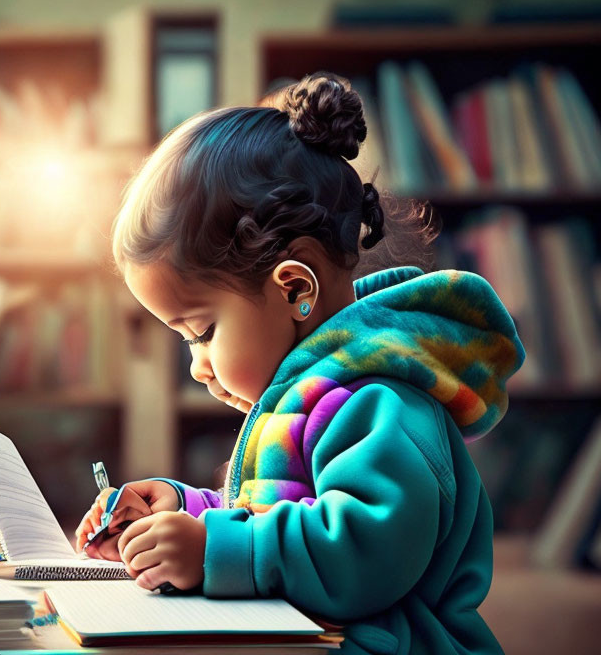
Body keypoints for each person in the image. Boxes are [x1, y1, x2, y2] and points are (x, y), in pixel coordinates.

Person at [75, 72, 524, 654]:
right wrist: (182, 510)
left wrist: (214, 549)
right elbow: (278, 512)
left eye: (203, 331)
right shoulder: (310, 390)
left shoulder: (377, 398)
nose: (197, 365)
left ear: (293, 289)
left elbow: (365, 551)